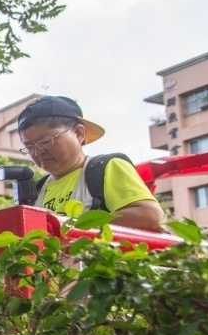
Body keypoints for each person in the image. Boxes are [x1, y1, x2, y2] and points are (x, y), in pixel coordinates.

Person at [19, 95, 164, 232]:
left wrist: (67, 225)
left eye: (45, 142)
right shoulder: (36, 191)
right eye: (30, 147)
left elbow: (150, 214)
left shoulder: (107, 168)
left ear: (78, 133)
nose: (38, 152)